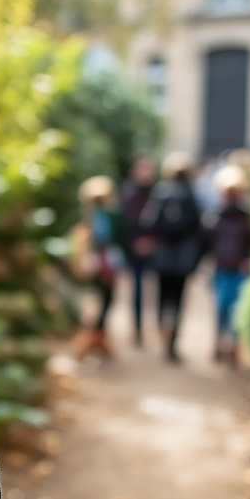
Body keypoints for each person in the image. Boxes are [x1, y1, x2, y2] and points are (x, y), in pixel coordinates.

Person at [141, 152, 206, 363]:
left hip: (163, 256)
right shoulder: (193, 195)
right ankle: (172, 343)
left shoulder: (161, 193)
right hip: (184, 258)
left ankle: (162, 334)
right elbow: (201, 229)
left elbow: (149, 222)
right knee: (178, 300)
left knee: (161, 298)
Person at [204, 163, 250, 366]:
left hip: (236, 266)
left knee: (234, 308)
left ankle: (233, 345)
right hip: (222, 266)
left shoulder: (244, 216)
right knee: (222, 307)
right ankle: (219, 342)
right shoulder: (216, 215)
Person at [69, 175, 123, 359]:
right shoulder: (96, 218)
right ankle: (92, 338)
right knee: (101, 301)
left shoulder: (102, 216)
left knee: (104, 300)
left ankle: (97, 338)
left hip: (103, 262)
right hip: (100, 263)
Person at [118, 154, 158, 347]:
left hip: (154, 248)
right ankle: (137, 327)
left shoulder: (158, 193)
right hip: (134, 248)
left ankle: (158, 327)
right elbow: (125, 221)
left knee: (155, 289)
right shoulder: (128, 193)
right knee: (137, 288)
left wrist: (152, 241)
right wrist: (136, 242)